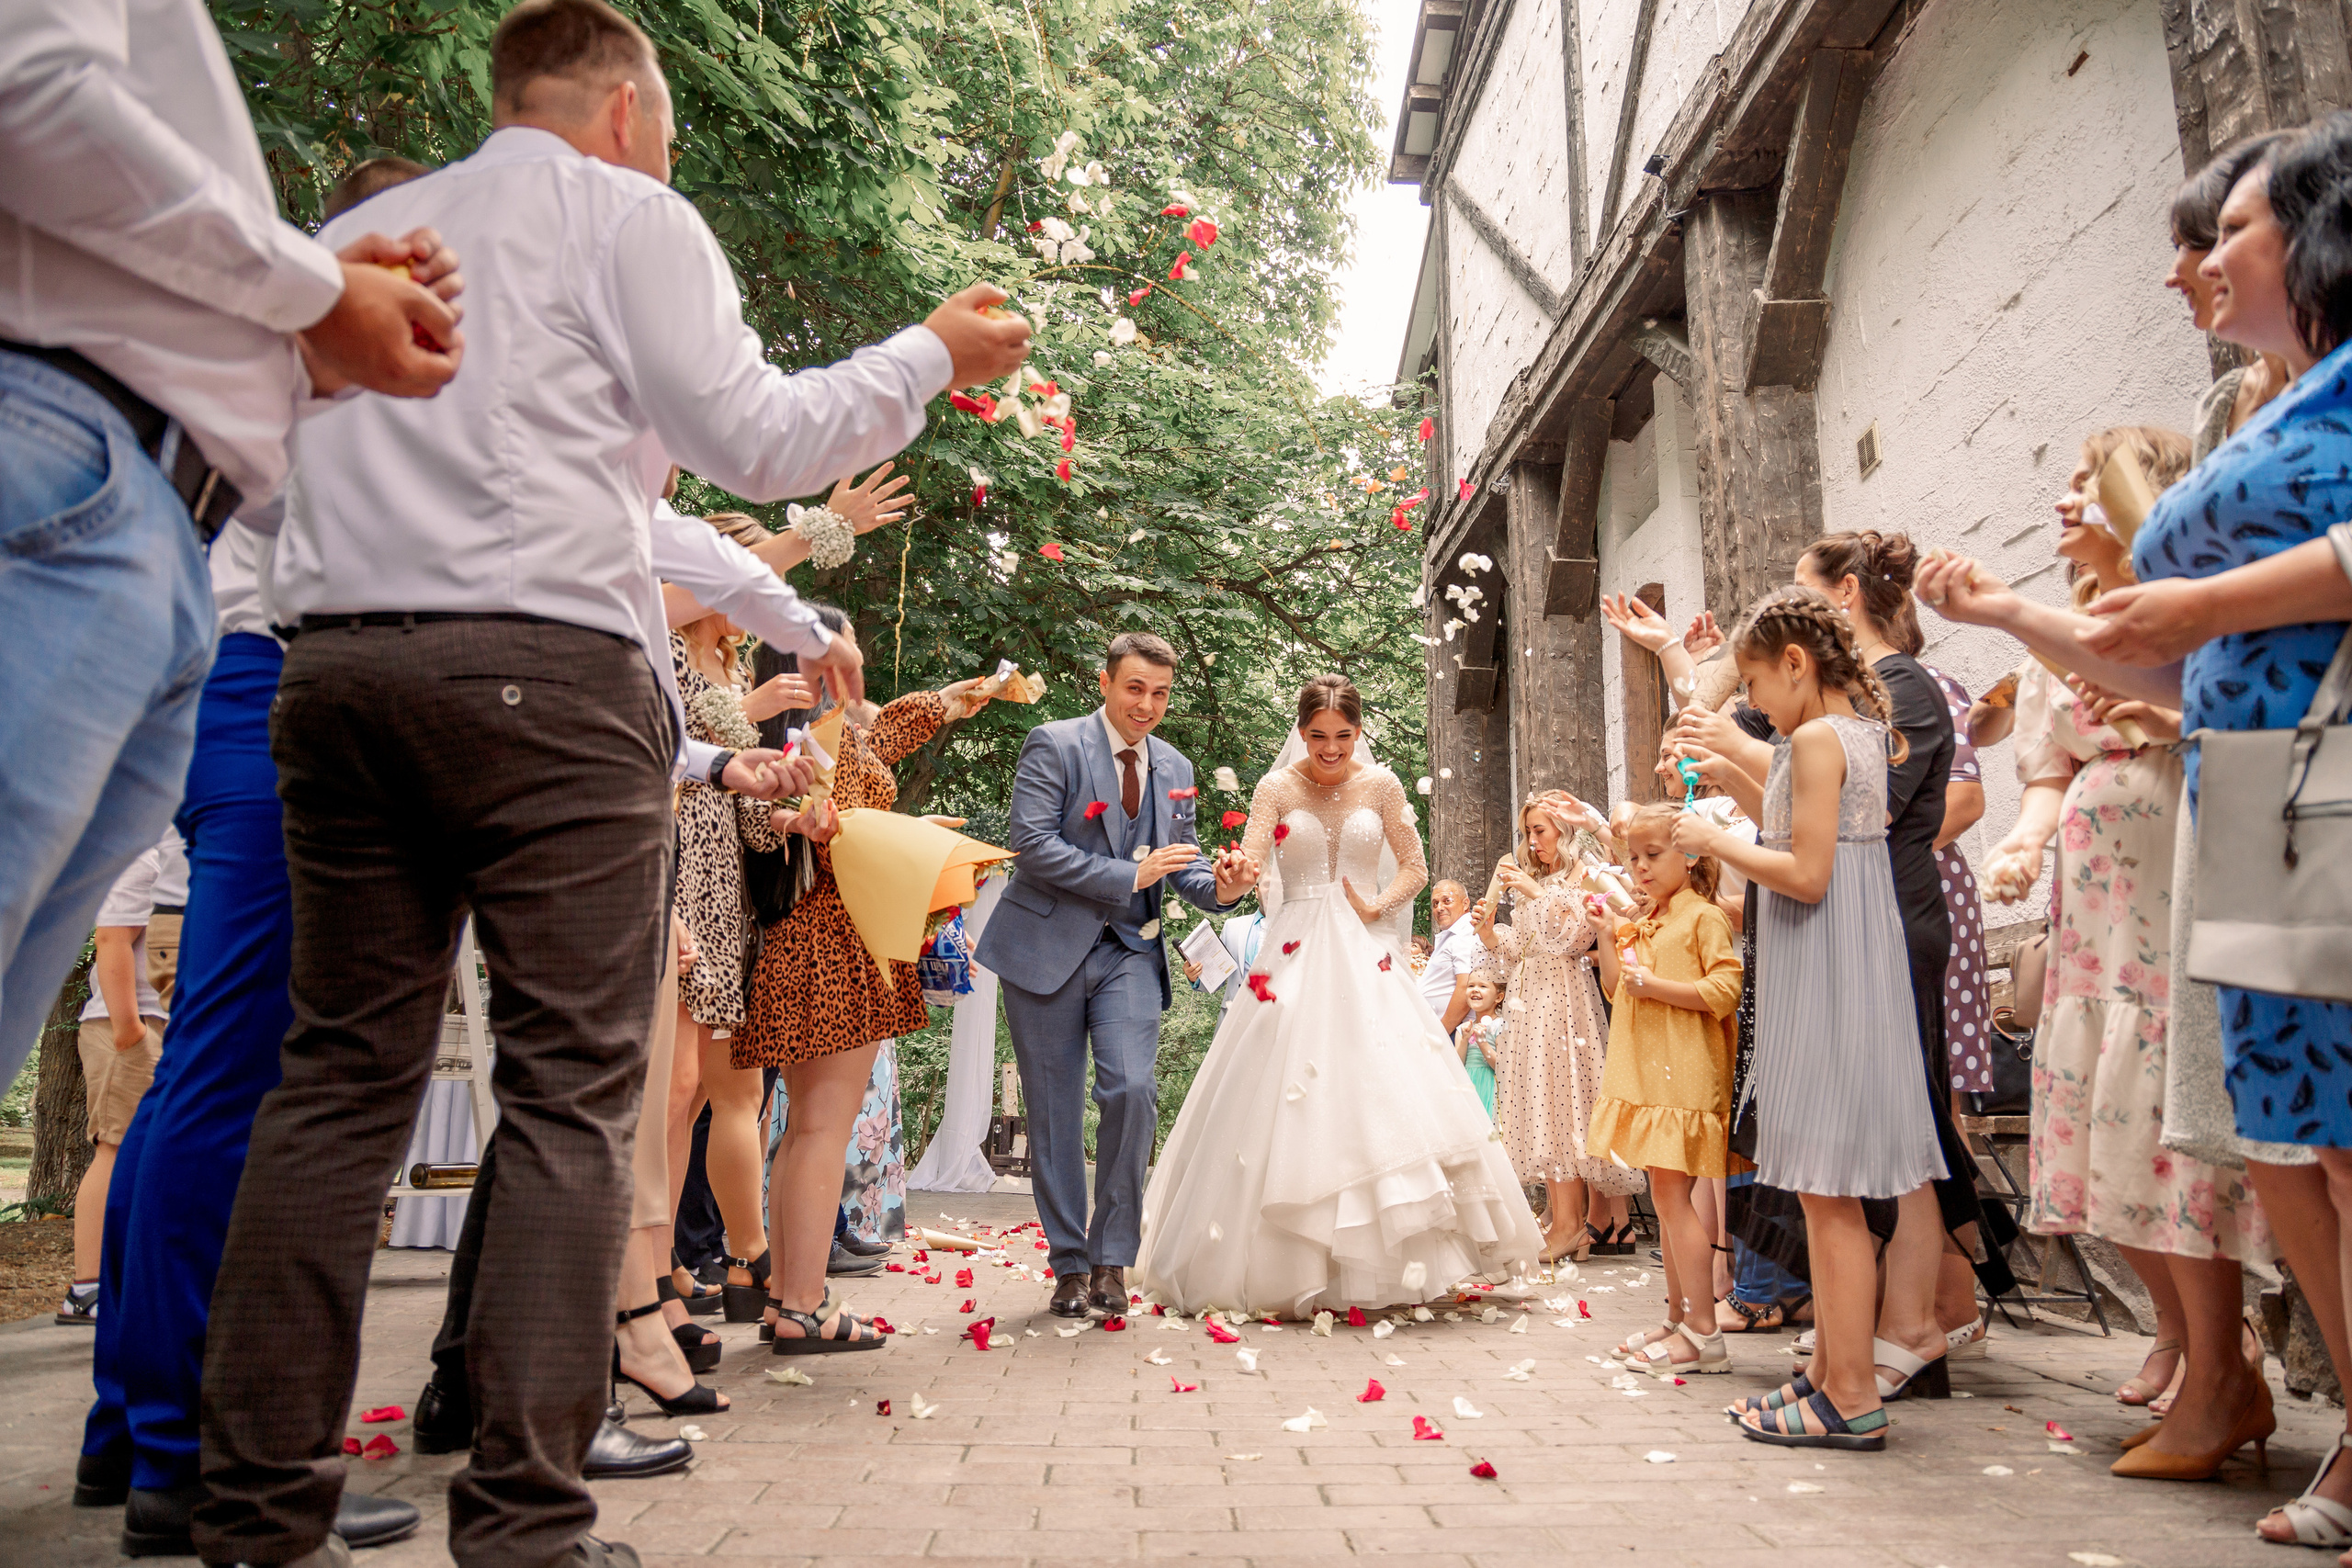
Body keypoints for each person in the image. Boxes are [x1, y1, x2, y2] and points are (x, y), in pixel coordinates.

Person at [193, 4, 1030, 1564]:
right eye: (667, 128)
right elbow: (755, 432)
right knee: (572, 1090)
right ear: (627, 108)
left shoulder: (359, 232)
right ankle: (522, 1514)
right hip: (544, 684)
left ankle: (253, 1510)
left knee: (333, 1085)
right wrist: (934, 352)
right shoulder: (626, 213)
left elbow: (256, 453)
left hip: (336, 673)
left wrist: (785, 609)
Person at [1920, 118, 2352, 1542]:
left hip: (2331, 769)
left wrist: (2210, 605)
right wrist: (2005, 614)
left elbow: (2202, 615)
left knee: (2345, 1139)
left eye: (2232, 229)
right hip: (2250, 790)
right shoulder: (2267, 401)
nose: (2204, 259)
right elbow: (2147, 656)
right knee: (2289, 1141)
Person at [0, 0, 466, 1099]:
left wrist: (300, 356)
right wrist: (311, 292)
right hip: (73, 467)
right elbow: (32, 89)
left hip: (163, 522)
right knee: (231, 1051)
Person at [1976, 427, 2274, 1480]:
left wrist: (2163, 719)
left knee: (2163, 1118)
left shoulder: (2192, 602)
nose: (2061, 503)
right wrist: (2021, 841)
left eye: (2081, 486)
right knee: (2107, 1138)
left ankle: (2219, 1374)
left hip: (2173, 882)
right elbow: (2050, 772)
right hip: (2094, 913)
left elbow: (2233, 716)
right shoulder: (2064, 634)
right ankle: (2202, 1360)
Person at [1133, 675, 1542, 1314]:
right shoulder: (1275, 788)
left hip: (1361, 945)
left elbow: (1415, 865)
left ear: (1358, 732)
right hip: (1291, 946)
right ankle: (1278, 1260)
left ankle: (1396, 1258)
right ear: (1301, 730)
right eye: (1318, 735)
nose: (1330, 749)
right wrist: (1234, 875)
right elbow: (1246, 867)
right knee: (1281, 1082)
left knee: (1376, 1081)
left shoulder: (1381, 787)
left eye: (1343, 736)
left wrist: (1375, 903)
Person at [1694, 589, 1947, 1450]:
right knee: (1827, 1192)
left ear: (1795, 662)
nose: (1753, 703)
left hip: (1828, 965)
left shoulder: (1810, 737)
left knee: (1829, 1197)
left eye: (1758, 681)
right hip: (1852, 961)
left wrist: (1711, 837)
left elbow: (1804, 873)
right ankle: (1828, 1373)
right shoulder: (1859, 735)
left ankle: (1848, 1394)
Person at [975, 632, 1261, 1318]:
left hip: (1129, 950)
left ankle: (1112, 1259)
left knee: (1132, 1090)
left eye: (1160, 693)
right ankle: (1071, 1266)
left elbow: (1182, 866)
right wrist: (1128, 873)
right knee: (1053, 1113)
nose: (1148, 705)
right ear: (1105, 683)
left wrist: (1223, 886)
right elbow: (1033, 844)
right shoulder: (1055, 743)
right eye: (1135, 688)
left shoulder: (1176, 765)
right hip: (1045, 950)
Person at [735, 610, 1000, 1350]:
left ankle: (785, 1300)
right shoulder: (810, 741)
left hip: (802, 940)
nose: (858, 660)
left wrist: (948, 701)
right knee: (822, 1127)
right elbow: (790, 815)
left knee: (801, 1131)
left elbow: (880, 736)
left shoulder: (809, 729)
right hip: (834, 941)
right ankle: (807, 1305)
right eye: (844, 648)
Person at [1588, 804, 1745, 1375]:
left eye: (1653, 855)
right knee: (1664, 1198)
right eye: (1633, 857)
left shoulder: (1702, 917)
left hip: (1683, 1074)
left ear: (1691, 854)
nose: (1641, 867)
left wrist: (1656, 985)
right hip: (1649, 1076)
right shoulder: (1642, 921)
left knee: (1676, 1202)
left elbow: (1725, 988)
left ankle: (1704, 1333)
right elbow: (1614, 990)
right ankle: (1679, 1318)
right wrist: (1607, 935)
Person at [1471, 793, 1645, 1264]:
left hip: (1565, 1001)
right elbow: (1523, 947)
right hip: (1529, 1001)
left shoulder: (1585, 873)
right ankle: (1562, 1219)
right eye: (1528, 832)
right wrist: (1491, 933)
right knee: (1538, 1105)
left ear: (1565, 831)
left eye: (1540, 831)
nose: (1532, 841)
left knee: (1563, 1106)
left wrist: (1532, 892)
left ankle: (1573, 1224)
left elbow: (1573, 938)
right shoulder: (1543, 879)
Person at [58, 829, 184, 1325]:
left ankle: (131, 1282)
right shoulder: (141, 850)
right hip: (127, 1026)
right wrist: (130, 1030)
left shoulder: (181, 852)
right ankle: (86, 1290)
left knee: (152, 1154)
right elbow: (111, 938)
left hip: (168, 1025)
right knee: (114, 1148)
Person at [1418, 878, 1482, 1032]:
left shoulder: (1465, 934)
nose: (1440, 908)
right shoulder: (1452, 936)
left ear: (1465, 904)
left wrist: (1442, 1032)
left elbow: (1466, 985)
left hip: (1455, 1031)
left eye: (1447, 901)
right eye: (1435, 903)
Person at [1453, 961, 1505, 1121]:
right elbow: (1457, 1065)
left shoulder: (1500, 1026)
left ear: (1499, 997)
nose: (1475, 989)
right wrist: (1465, 1040)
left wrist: (1482, 1043)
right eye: (1471, 986)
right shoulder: (1463, 1029)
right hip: (1467, 1085)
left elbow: (1501, 1067)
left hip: (1490, 1086)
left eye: (1483, 986)